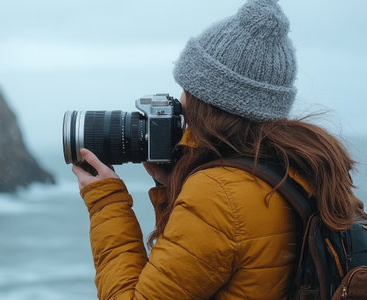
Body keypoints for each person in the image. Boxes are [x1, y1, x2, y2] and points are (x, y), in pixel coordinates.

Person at [72, 0, 364, 299]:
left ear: (206, 102)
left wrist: (106, 202)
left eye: (186, 91)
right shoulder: (301, 166)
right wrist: (173, 187)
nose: (179, 104)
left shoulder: (218, 194)